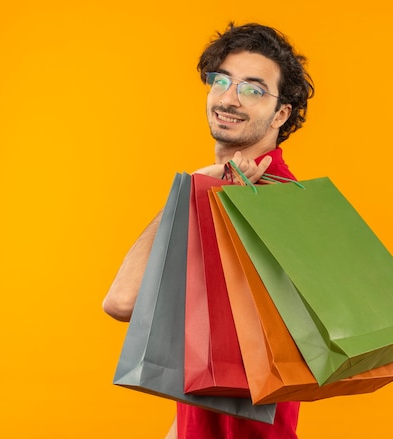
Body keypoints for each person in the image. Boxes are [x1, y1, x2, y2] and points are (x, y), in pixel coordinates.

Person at [102, 22, 314, 438]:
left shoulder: (270, 205)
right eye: (222, 80)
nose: (229, 98)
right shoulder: (223, 192)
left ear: (281, 114)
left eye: (254, 89)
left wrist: (188, 192)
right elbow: (204, 366)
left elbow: (122, 302)